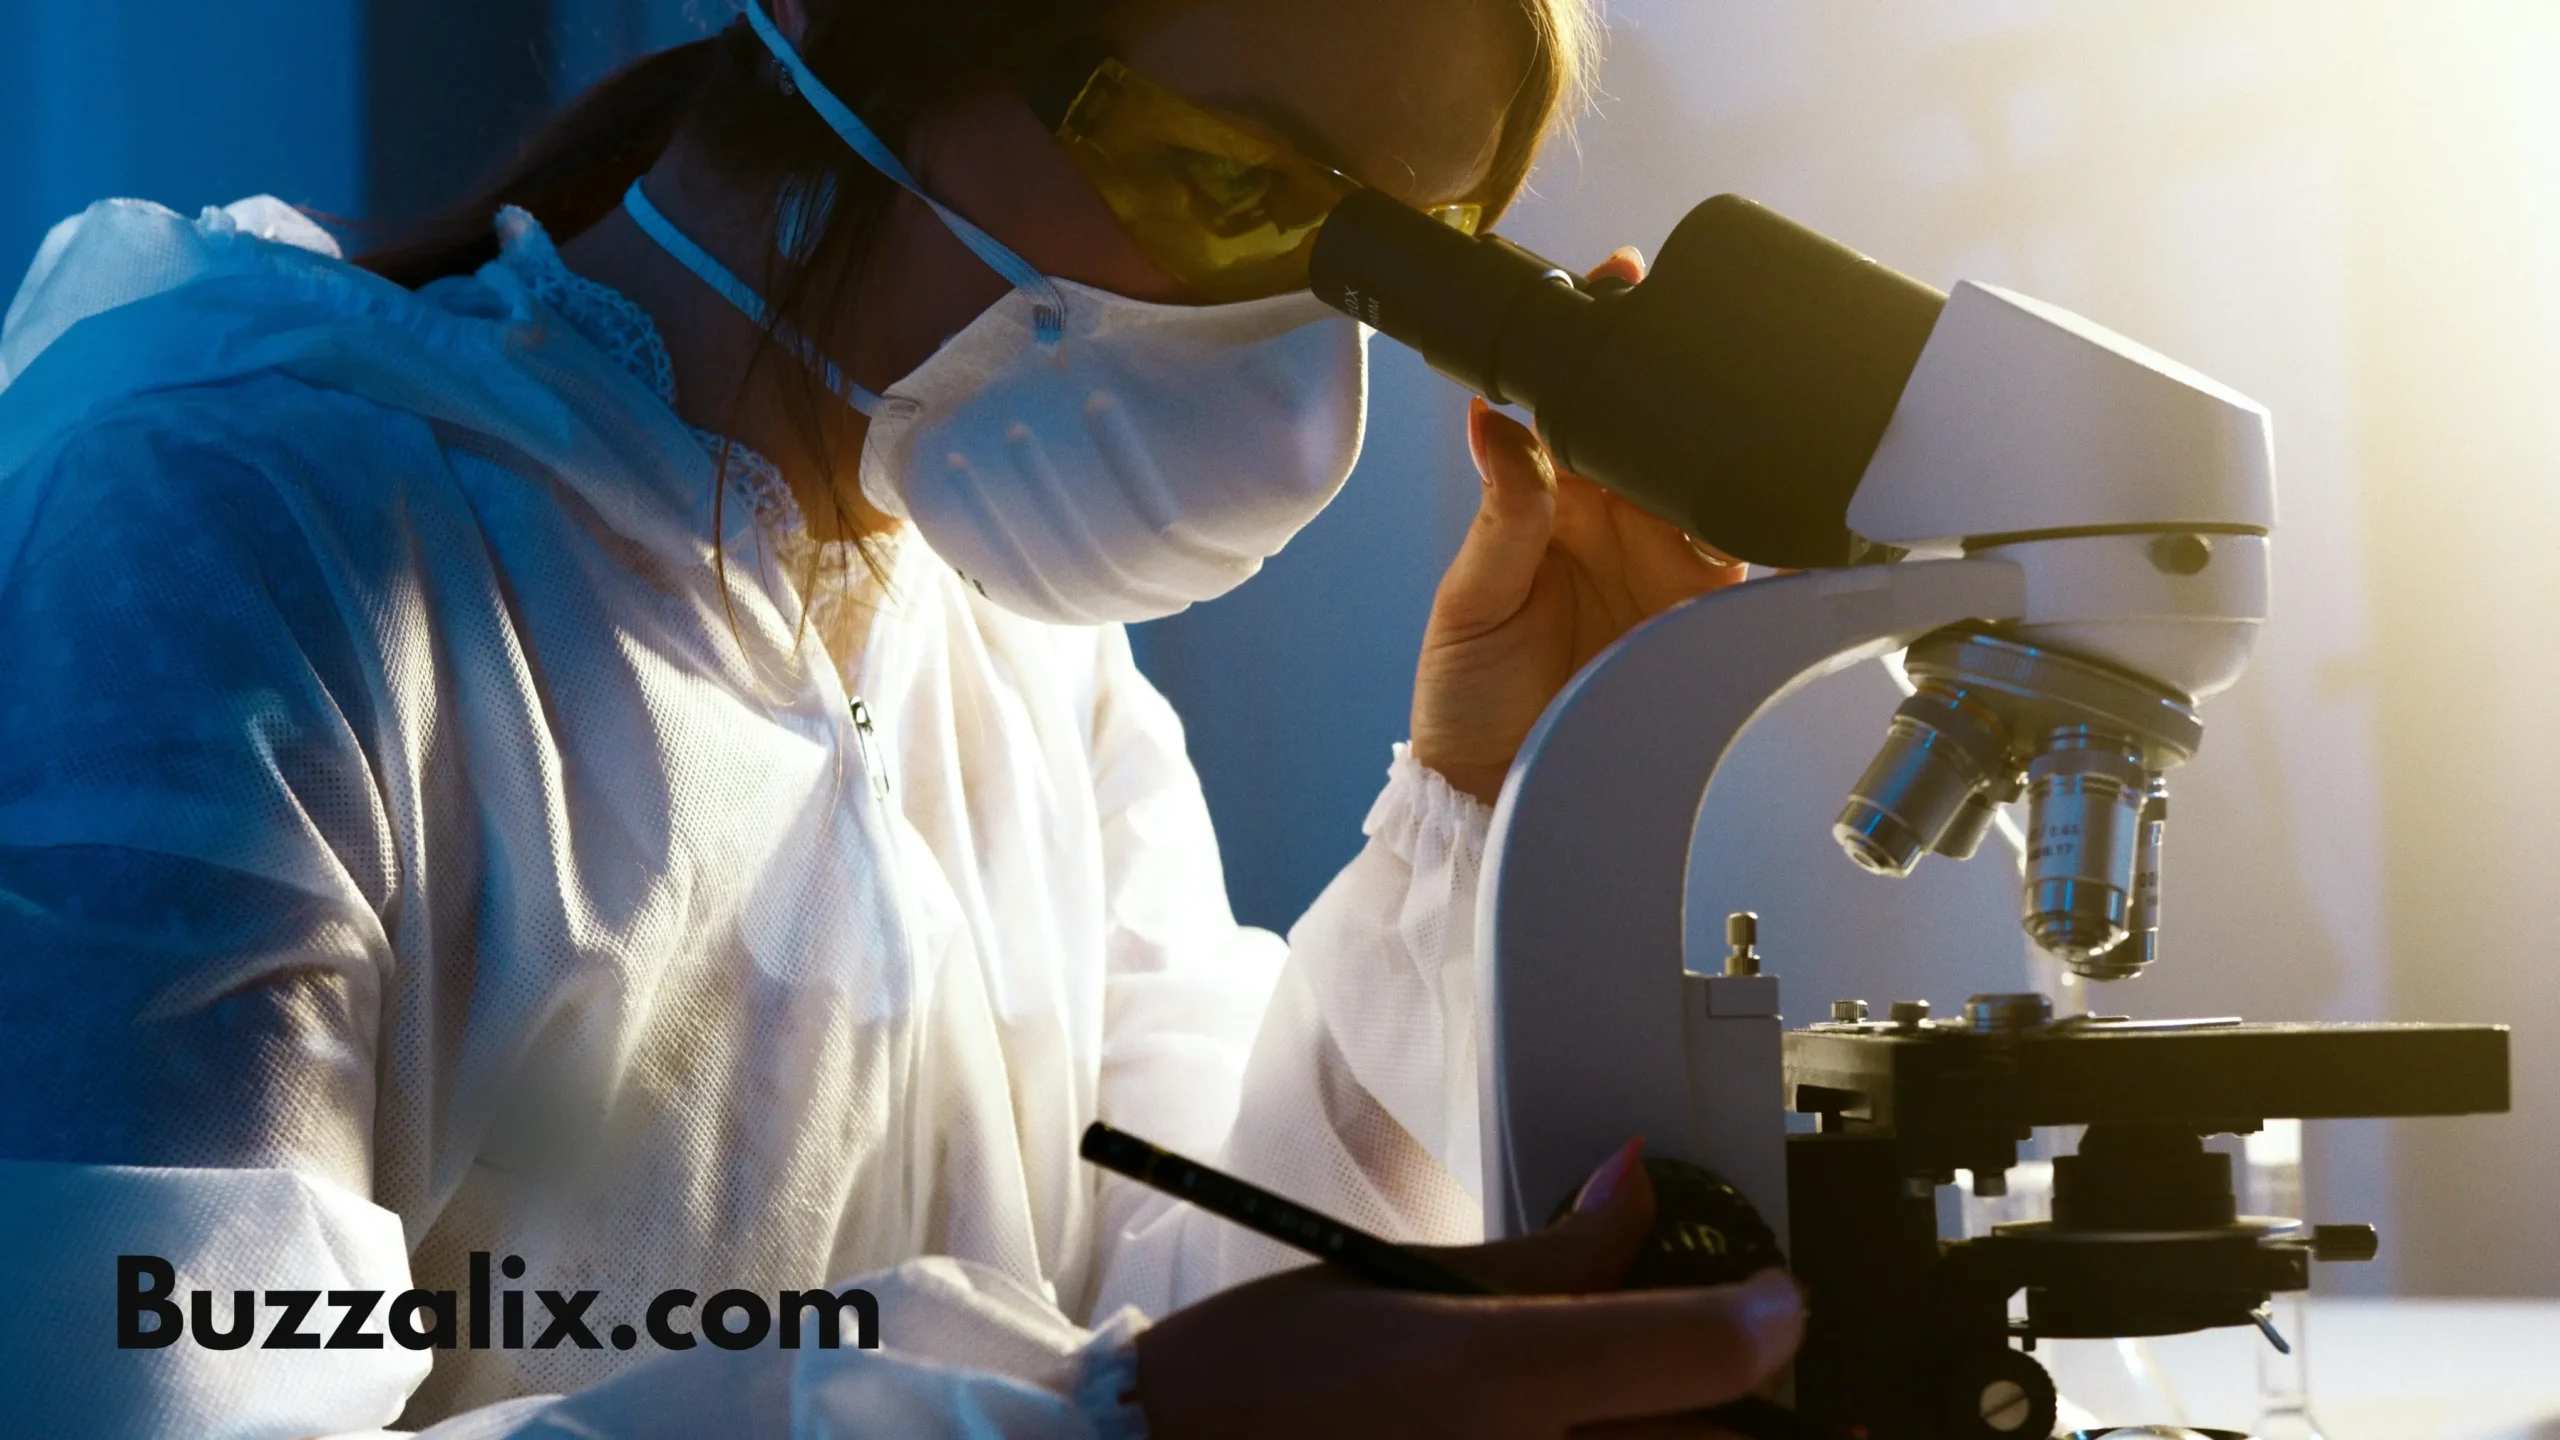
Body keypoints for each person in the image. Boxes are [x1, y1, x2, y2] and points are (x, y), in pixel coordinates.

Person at [0, 0, 1800, 1433]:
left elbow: (1224, 1291)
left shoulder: (1014, 643)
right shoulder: (234, 539)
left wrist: (1477, 800)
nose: (1298, 362)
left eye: (1403, 269)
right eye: (1245, 185)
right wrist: (1101, 1426)